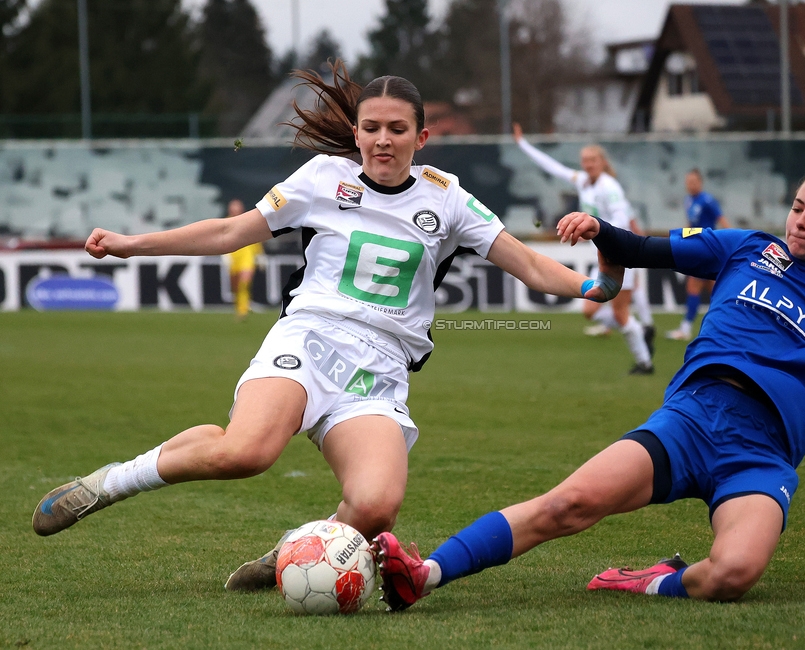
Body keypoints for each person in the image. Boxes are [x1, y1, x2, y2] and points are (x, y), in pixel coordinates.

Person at [30, 63, 622, 593]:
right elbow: (227, 233)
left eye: (396, 129)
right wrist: (134, 245)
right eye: (371, 127)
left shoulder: (449, 200)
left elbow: (533, 266)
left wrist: (595, 287)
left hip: (379, 369)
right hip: (309, 338)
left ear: (421, 137)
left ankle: (298, 553)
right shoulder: (321, 178)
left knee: (376, 506)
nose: (381, 140)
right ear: (357, 132)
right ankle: (110, 484)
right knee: (247, 451)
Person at [372, 163, 805, 610]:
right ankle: (424, 574)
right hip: (688, 423)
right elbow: (639, 249)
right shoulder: (748, 248)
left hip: (760, 460)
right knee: (566, 505)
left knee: (732, 576)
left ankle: (653, 579)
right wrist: (598, 228)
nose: (801, 219)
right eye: (797, 206)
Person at [513, 123, 654, 374]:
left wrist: (608, 239)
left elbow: (621, 219)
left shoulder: (609, 187)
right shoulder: (584, 182)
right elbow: (553, 167)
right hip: (601, 257)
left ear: (601, 161)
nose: (588, 164)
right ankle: (639, 329)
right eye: (585, 160)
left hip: (620, 256)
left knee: (620, 313)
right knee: (590, 311)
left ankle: (645, 362)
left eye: (592, 160)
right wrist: (523, 144)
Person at [667, 168, 731, 341]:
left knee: (695, 287)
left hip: (708, 248)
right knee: (717, 291)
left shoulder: (707, 200)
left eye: (694, 182)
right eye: (688, 182)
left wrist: (731, 244)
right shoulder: (688, 200)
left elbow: (723, 221)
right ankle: (726, 328)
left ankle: (686, 328)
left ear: (700, 183)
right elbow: (690, 224)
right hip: (697, 247)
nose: (691, 185)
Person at [224, 198, 265, 321]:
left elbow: (255, 239)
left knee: (244, 283)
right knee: (236, 286)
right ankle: (241, 306)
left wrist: (260, 255)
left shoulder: (248, 221)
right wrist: (224, 255)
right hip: (234, 258)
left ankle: (243, 310)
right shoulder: (225, 222)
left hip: (247, 257)